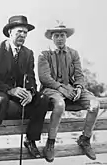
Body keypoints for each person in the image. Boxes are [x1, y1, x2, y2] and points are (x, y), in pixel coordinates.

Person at [0, 15, 49, 164]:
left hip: (19, 98)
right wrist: (10, 90)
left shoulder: (28, 53)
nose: (23, 35)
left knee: (43, 99)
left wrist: (31, 93)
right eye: (19, 31)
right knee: (1, 100)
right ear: (10, 32)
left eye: (25, 33)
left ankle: (31, 140)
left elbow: (31, 78)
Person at [38, 21, 100, 162]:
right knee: (59, 105)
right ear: (51, 38)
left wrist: (78, 87)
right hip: (52, 89)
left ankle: (85, 139)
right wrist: (60, 88)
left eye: (62, 35)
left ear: (66, 37)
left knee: (95, 104)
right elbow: (44, 78)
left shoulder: (73, 53)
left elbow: (79, 75)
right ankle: (50, 143)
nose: (60, 38)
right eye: (56, 35)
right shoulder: (44, 54)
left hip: (71, 87)